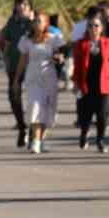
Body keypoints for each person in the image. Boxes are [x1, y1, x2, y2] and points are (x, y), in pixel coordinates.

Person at [15, 11, 66, 154]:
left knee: (48, 108)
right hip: (33, 77)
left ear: (46, 24)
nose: (37, 23)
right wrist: (16, 80)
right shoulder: (26, 40)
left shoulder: (53, 39)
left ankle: (41, 140)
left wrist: (60, 58)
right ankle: (35, 142)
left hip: (49, 77)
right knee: (35, 106)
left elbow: (62, 53)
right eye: (35, 21)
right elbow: (22, 60)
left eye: (40, 21)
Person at [72, 12, 109, 152]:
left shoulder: (108, 43)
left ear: (102, 28)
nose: (93, 28)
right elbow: (77, 65)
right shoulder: (81, 44)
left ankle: (100, 140)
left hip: (104, 83)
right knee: (85, 114)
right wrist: (76, 83)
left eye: (96, 25)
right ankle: (84, 133)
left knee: (102, 114)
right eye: (90, 25)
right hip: (87, 83)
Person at [0, 0, 35, 148]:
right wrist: (5, 58)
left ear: (29, 8)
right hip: (13, 66)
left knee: (33, 100)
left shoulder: (34, 24)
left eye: (25, 5)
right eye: (19, 4)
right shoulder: (11, 23)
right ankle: (22, 127)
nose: (21, 7)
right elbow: (4, 42)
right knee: (14, 97)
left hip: (32, 67)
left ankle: (34, 131)